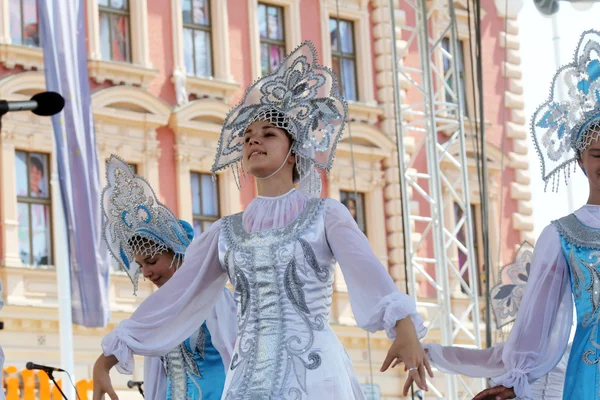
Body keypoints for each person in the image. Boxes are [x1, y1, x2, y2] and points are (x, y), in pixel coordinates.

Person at [93, 42, 432, 400]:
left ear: (292, 150)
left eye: (268, 134)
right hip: (248, 378)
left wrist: (404, 327)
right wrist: (108, 358)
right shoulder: (225, 233)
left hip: (314, 373)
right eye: (248, 137)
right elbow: (176, 297)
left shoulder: (325, 215)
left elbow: (369, 273)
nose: (254, 140)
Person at [415, 29, 600, 400]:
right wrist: (515, 381)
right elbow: (535, 325)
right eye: (598, 153)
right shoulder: (563, 234)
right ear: (580, 160)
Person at [97, 155, 237, 400]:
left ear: (179, 254)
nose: (147, 273)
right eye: (140, 266)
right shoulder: (156, 310)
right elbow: (129, 335)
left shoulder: (215, 299)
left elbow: (241, 353)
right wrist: (101, 366)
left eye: (151, 261)